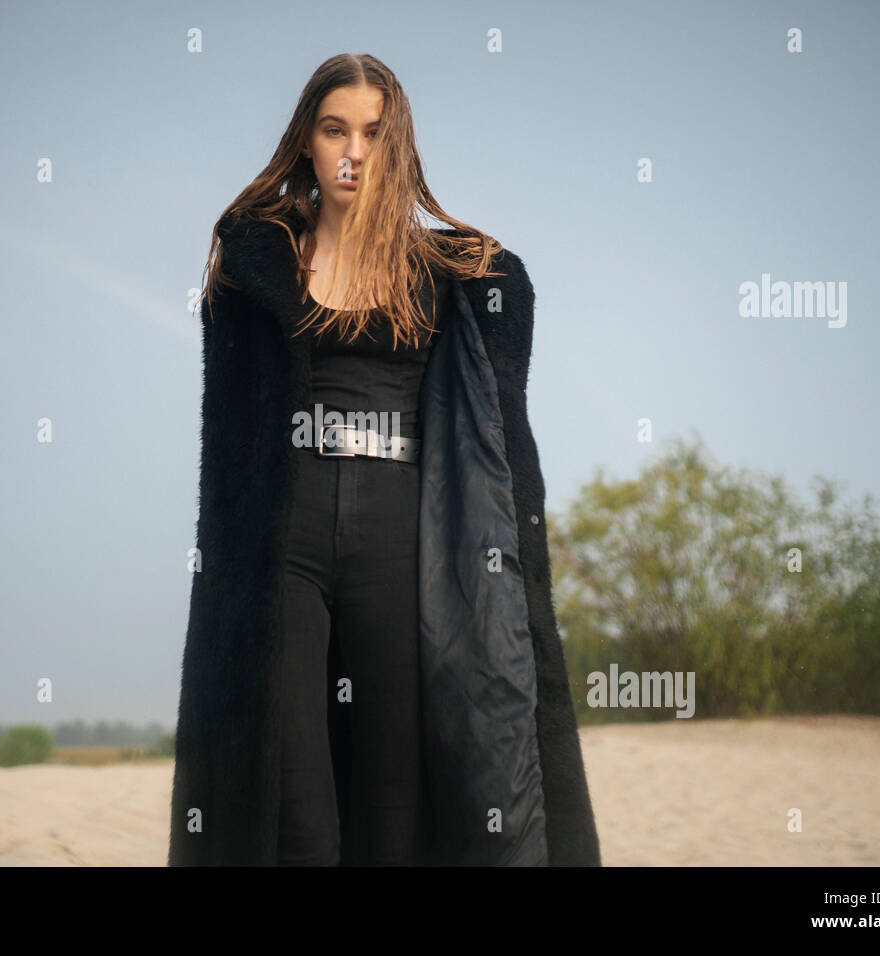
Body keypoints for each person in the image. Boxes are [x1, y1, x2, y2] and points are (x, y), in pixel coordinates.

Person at [169, 53, 601, 867]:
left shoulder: (451, 275)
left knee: (394, 805)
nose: (352, 151)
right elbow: (225, 445)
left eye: (372, 133)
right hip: (284, 539)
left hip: (404, 542)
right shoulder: (257, 269)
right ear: (307, 142)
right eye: (334, 129)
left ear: (395, 146)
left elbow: (502, 438)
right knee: (294, 806)